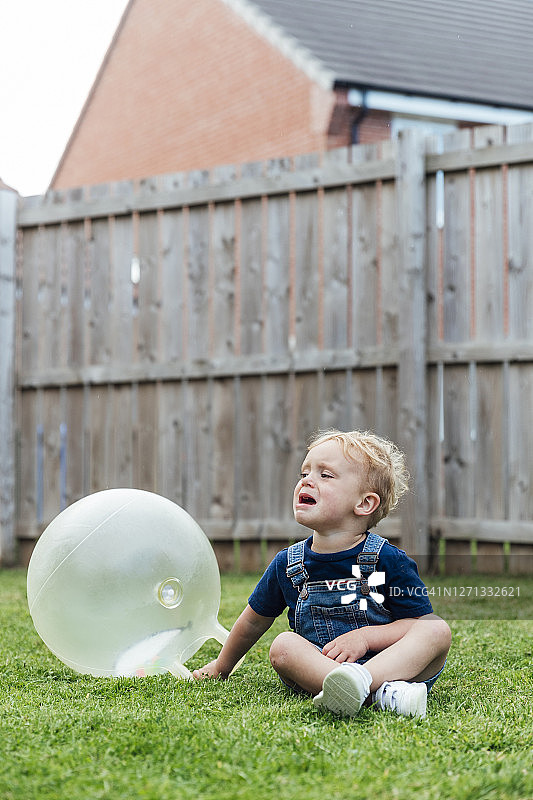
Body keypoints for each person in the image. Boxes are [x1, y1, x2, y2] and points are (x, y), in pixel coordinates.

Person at [194, 429, 451, 718]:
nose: (307, 481)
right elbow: (253, 622)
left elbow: (412, 624)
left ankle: (363, 687)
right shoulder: (288, 564)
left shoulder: (389, 560)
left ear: (364, 504)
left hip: (391, 665)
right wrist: (220, 666)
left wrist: (365, 638)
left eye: (325, 475)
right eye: (304, 473)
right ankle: (384, 697)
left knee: (435, 628)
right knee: (283, 646)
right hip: (321, 669)